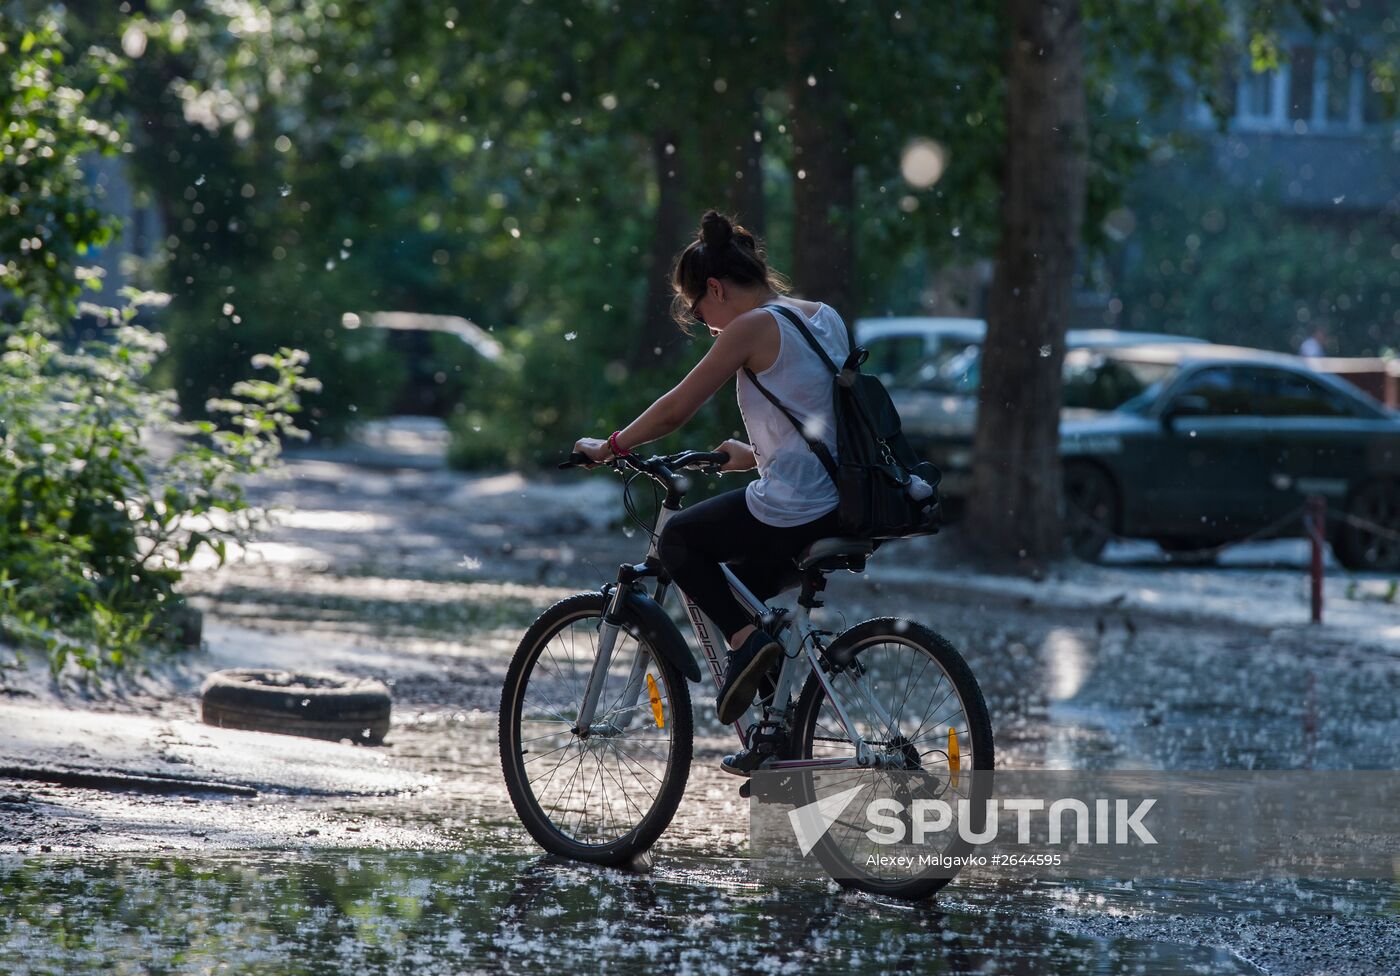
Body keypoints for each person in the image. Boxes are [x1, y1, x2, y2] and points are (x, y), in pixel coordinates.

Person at [572, 210, 849, 771]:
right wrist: (753, 457)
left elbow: (676, 407)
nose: (708, 326)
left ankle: (747, 644)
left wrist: (611, 446)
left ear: (716, 289)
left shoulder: (752, 326)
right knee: (738, 587)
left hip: (797, 507)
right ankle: (774, 731)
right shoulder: (823, 317)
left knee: (679, 540)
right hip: (841, 503)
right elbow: (820, 414)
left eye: (701, 313)